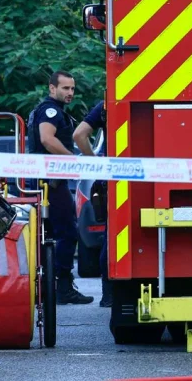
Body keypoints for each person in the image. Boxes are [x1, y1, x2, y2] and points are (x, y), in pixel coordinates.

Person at [28, 71, 93, 305]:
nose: (70, 93)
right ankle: (62, 285)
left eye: (72, 89)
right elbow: (47, 139)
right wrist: (71, 158)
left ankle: (50, 287)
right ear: (52, 88)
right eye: (65, 88)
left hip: (48, 180)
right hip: (51, 182)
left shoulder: (51, 110)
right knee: (68, 232)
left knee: (51, 235)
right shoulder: (50, 110)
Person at [73, 100, 111, 308]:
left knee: (113, 237)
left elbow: (79, 134)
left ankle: (110, 295)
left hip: (116, 180)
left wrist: (94, 160)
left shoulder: (106, 104)